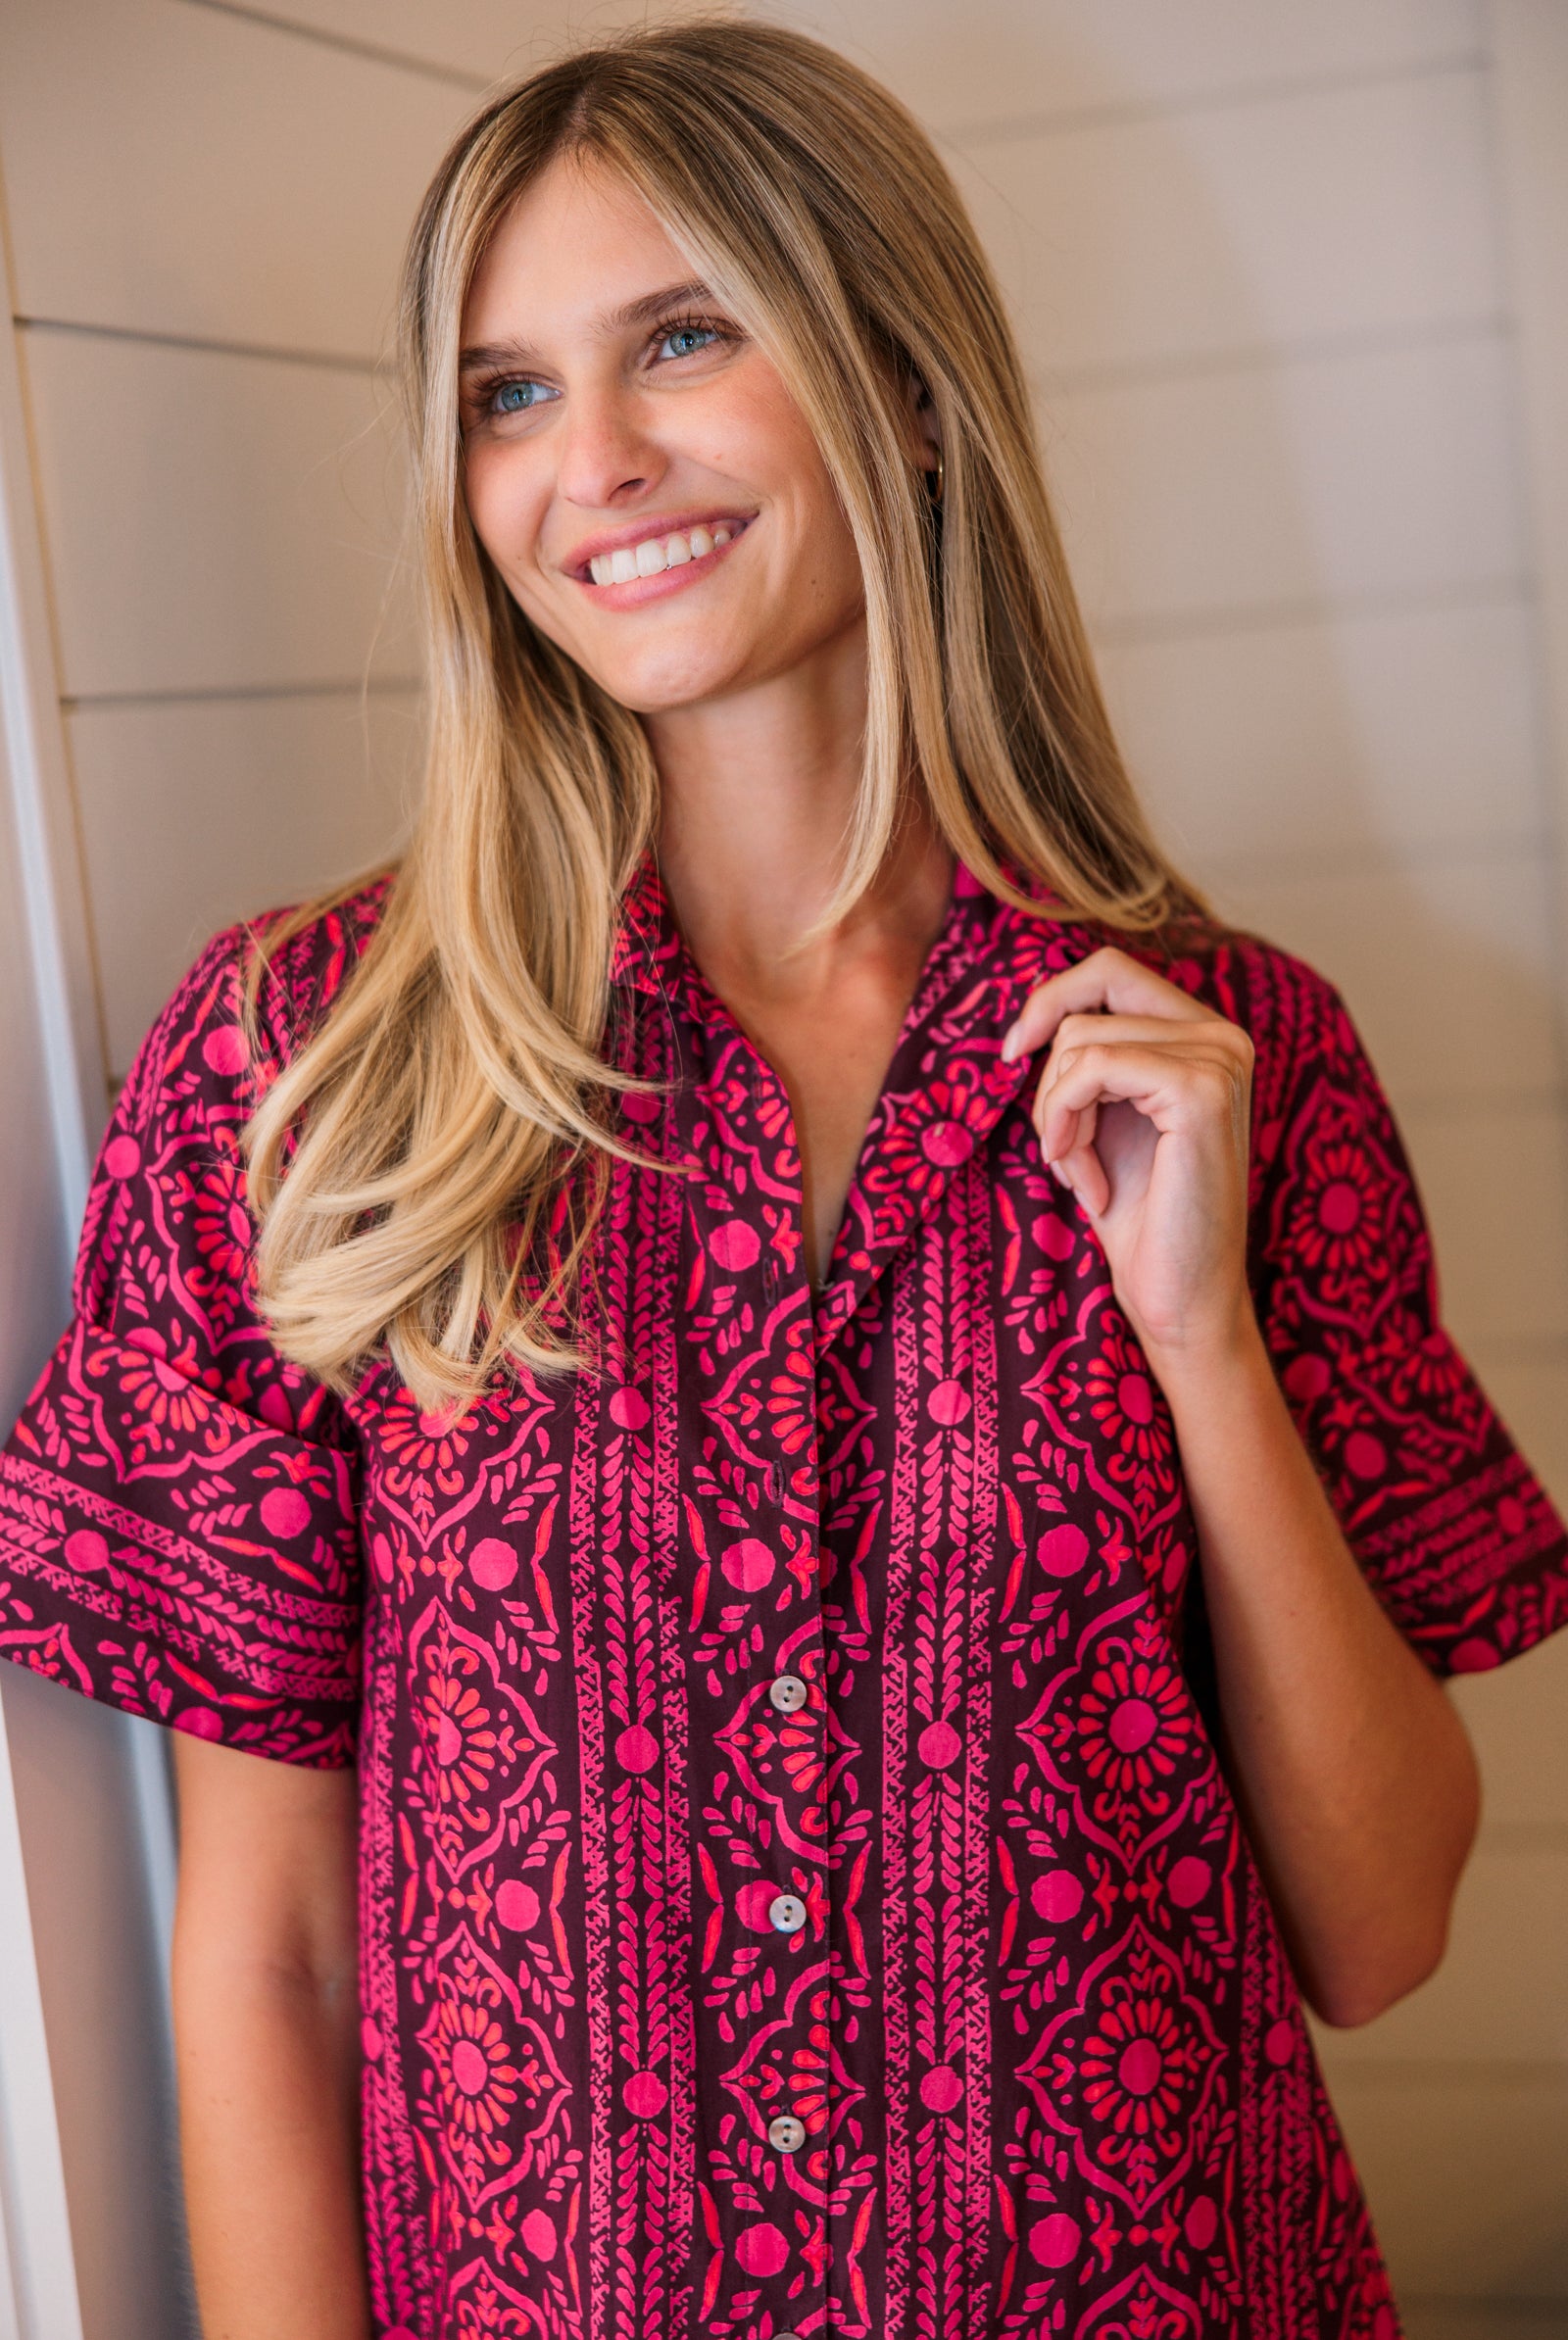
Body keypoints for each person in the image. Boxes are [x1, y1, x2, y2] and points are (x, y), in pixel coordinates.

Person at [1, 22, 1563, 2339]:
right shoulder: (312, 1072)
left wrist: (1199, 1341)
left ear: (903, 387)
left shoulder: (1231, 1054)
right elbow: (266, 1949)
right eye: (505, 392)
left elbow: (1378, 1927)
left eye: (680, 338)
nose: (592, 461)